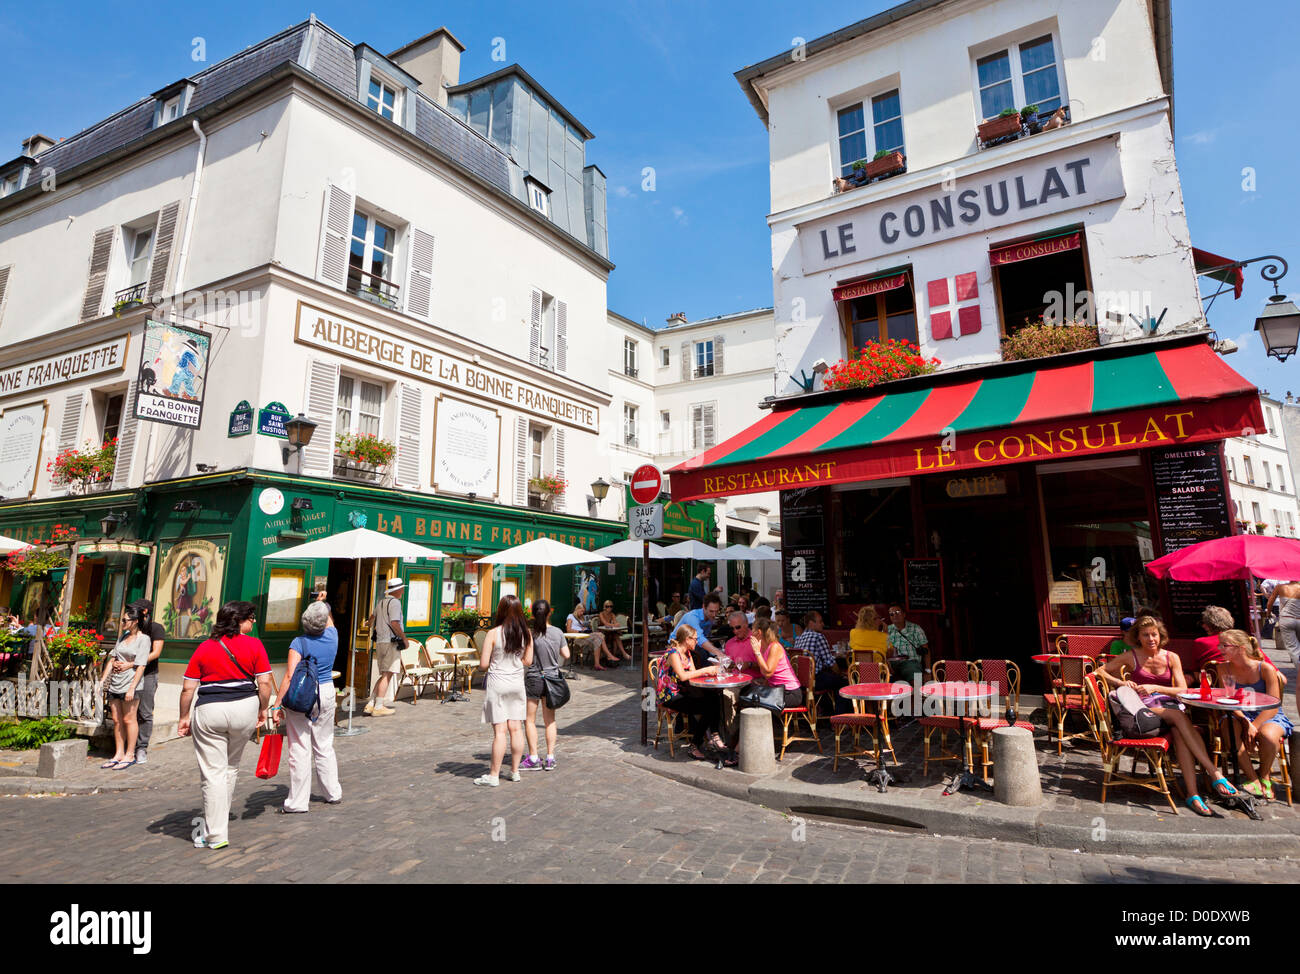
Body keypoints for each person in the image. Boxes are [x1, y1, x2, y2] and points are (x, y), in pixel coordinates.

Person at [1096, 615, 1238, 816]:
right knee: (1180, 718)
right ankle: (1214, 773)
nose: (1150, 639)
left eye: (1153, 634)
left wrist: (1155, 686)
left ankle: (1192, 794)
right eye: (1145, 635)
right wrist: (1121, 682)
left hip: (1168, 708)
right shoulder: (1132, 656)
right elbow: (1099, 671)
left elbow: (1182, 689)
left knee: (1179, 731)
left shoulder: (1172, 657)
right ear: (1138, 637)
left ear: (1160, 635)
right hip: (1143, 711)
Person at [177, 601, 273, 849]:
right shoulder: (255, 645)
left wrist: (183, 717)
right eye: (251, 617)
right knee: (230, 767)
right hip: (244, 709)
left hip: (210, 711)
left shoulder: (205, 648)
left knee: (212, 772)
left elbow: (189, 688)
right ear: (239, 620)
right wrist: (263, 708)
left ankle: (215, 834)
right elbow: (264, 683)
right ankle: (217, 826)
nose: (253, 622)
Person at [273, 596, 343, 813]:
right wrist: (324, 600)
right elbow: (329, 619)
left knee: (300, 748)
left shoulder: (298, 643)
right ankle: (333, 792)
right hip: (326, 691)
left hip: (303, 694)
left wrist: (277, 704)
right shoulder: (332, 635)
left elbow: (290, 675)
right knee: (324, 744)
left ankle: (297, 802)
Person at [1216, 629, 1290, 800]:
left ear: (1241, 648)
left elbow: (1273, 704)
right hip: (1239, 714)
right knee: (1228, 726)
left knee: (1268, 736)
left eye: (1224, 645)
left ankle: (1265, 776)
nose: (1220, 648)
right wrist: (1245, 721)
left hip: (1268, 714)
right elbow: (1228, 700)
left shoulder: (1265, 668)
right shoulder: (1224, 668)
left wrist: (1254, 725)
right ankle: (1253, 778)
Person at [475, 595, 534, 786]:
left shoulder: (493, 633)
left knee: (500, 732)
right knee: (516, 728)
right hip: (516, 683)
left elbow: (484, 664)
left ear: (500, 610)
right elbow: (528, 661)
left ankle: (493, 775)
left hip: (498, 683)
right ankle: (515, 771)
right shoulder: (526, 633)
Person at [657, 625, 725, 761]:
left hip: (684, 691)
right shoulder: (673, 654)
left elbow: (694, 676)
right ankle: (696, 744)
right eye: (695, 639)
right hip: (670, 695)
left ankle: (714, 734)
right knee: (707, 709)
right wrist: (706, 670)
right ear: (687, 639)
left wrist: (712, 676)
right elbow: (683, 676)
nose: (697, 642)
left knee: (714, 697)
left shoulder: (687, 653)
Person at [111, 599, 165, 765]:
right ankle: (125, 749)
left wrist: (132, 664)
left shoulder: (156, 628)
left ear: (144, 612)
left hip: (147, 674)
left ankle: (141, 747)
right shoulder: (127, 631)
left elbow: (155, 653)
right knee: (125, 715)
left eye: (134, 610)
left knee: (145, 712)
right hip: (125, 677)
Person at [96, 605, 151, 770]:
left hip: (130, 684)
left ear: (134, 622)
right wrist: (102, 680)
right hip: (116, 683)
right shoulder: (122, 637)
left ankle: (130, 754)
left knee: (129, 719)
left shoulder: (144, 639)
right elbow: (112, 659)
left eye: (125, 620)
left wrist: (132, 688)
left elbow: (141, 665)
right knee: (117, 720)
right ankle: (118, 753)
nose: (122, 623)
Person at [521, 599, 568, 772]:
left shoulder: (531, 634)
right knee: (550, 721)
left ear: (533, 614)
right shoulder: (557, 632)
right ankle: (550, 758)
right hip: (552, 678)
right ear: (550, 612)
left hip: (534, 678)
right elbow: (567, 654)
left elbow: (527, 658)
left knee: (530, 720)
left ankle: (533, 757)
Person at [742, 618, 805, 711]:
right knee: (746, 696)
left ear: (758, 632)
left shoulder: (774, 646)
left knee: (754, 702)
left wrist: (757, 652)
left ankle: (774, 725)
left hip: (790, 693)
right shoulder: (765, 648)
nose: (751, 634)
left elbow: (768, 673)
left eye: (752, 630)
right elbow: (767, 675)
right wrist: (762, 685)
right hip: (777, 691)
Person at [365, 578, 406, 716]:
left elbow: (371, 619)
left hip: (381, 642)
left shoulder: (381, 602)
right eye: (402, 588)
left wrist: (370, 625)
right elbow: (394, 623)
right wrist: (404, 639)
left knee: (384, 674)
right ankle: (378, 706)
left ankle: (371, 703)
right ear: (397, 590)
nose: (403, 590)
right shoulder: (395, 603)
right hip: (391, 642)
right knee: (387, 674)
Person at [796, 610, 849, 711]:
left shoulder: (799, 638)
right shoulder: (818, 637)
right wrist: (840, 674)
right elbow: (830, 662)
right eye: (820, 622)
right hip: (815, 680)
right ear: (811, 623)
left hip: (801, 681)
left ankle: (824, 711)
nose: (823, 624)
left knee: (831, 679)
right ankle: (840, 719)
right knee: (843, 683)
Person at [673, 594, 724, 666]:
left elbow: (704, 638)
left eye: (716, 611)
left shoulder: (709, 618)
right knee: (708, 659)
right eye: (711, 611)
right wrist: (718, 652)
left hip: (692, 645)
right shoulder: (693, 616)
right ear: (704, 607)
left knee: (714, 659)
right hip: (677, 646)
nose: (714, 615)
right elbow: (700, 638)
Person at [566, 601, 618, 670]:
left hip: (584, 635)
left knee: (598, 638)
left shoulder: (581, 618)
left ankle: (597, 664)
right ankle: (609, 655)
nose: (582, 613)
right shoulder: (570, 616)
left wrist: (585, 629)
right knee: (600, 635)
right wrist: (579, 631)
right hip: (577, 637)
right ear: (577, 609)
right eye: (581, 611)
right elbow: (568, 630)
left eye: (583, 612)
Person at [886, 605, 929, 681]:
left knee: (916, 676)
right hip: (891, 664)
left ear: (904, 614)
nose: (895, 615)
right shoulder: (887, 630)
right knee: (881, 673)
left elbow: (926, 650)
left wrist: (928, 671)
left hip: (911, 662)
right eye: (892, 614)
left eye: (897, 612)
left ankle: (917, 692)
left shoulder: (916, 628)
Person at [1189, 606, 1233, 672]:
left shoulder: (1201, 642)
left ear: (1212, 624)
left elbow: (1195, 669)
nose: (1203, 626)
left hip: (1211, 680)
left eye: (1205, 623)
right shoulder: (1239, 639)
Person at [1267, 581, 1300, 664]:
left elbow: (1270, 602)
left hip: (1286, 619)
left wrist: (1268, 614)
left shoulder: (1280, 587)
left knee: (1293, 647)